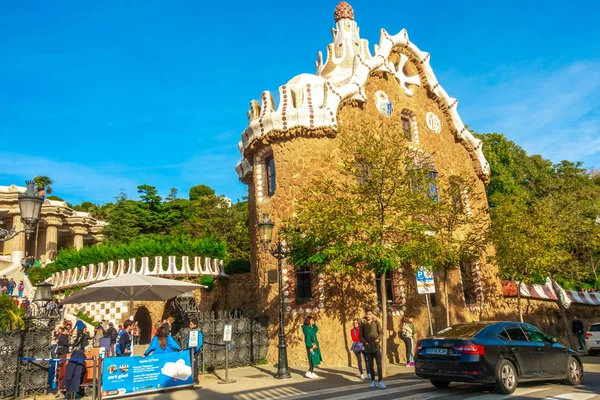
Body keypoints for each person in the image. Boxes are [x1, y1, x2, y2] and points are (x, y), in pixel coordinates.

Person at [360, 308, 385, 389]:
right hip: (368, 348)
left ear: (372, 314)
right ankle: (373, 381)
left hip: (376, 347)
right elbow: (360, 335)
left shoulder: (376, 322)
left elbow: (381, 332)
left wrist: (378, 339)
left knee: (379, 364)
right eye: (367, 314)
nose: (368, 316)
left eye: (370, 314)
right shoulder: (363, 323)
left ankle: (380, 381)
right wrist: (365, 342)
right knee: (371, 365)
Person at [187, 319, 203, 384]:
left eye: (191, 324)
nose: (189, 325)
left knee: (194, 364)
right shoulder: (190, 332)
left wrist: (195, 349)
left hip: (195, 351)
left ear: (195, 325)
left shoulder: (199, 333)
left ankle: (195, 379)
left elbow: (200, 343)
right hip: (190, 350)